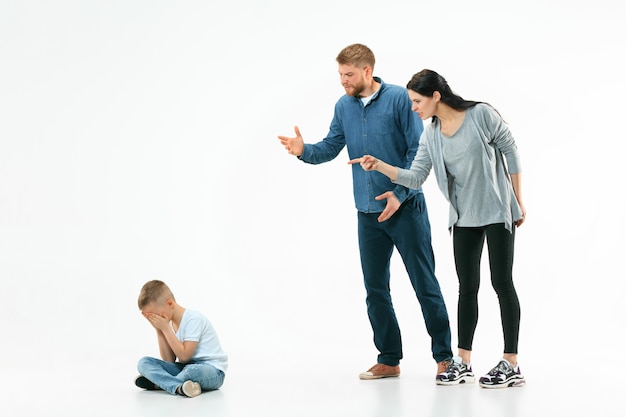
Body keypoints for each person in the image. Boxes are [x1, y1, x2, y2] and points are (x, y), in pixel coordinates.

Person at [278, 44, 453, 381]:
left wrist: (399, 194)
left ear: (367, 71)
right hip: (367, 213)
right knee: (375, 289)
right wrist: (304, 151)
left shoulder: (400, 100)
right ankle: (389, 359)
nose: (343, 81)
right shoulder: (343, 106)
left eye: (349, 75)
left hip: (405, 208)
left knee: (424, 284)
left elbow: (419, 151)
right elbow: (330, 147)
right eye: (340, 75)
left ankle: (445, 358)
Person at [349, 69, 527, 389]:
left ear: (435, 96)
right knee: (466, 288)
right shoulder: (430, 134)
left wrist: (518, 200)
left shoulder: (480, 115)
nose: (414, 108)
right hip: (463, 219)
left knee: (501, 282)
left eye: (417, 101)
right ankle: (463, 361)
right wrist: (381, 165)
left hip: (498, 212)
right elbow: (416, 176)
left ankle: (511, 362)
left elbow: (510, 149)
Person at [135, 279, 228, 397]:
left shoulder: (193, 319)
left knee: (191, 371)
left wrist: (165, 329)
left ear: (170, 304)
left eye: (155, 316)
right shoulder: (168, 323)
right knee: (144, 363)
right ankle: (180, 387)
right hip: (185, 368)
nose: (156, 320)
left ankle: (159, 383)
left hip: (211, 371)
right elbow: (169, 360)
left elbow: (184, 357)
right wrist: (159, 330)